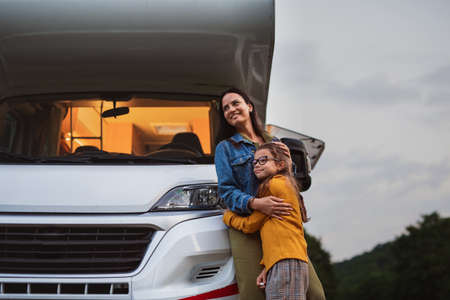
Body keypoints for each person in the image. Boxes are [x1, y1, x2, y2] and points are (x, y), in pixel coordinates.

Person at [214, 88, 326, 300]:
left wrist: (290, 164)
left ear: (249, 106)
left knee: (315, 293)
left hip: (279, 225)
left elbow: (289, 184)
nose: (231, 109)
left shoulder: (274, 141)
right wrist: (256, 203)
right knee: (253, 293)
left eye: (235, 103)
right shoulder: (225, 148)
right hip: (245, 223)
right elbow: (226, 191)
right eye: (226, 108)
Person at [223, 142, 309, 299]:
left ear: (280, 164)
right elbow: (282, 235)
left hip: (286, 264)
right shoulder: (286, 185)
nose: (256, 165)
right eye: (254, 162)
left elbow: (250, 225)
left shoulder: (274, 185)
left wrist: (228, 216)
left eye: (263, 160)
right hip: (288, 261)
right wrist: (268, 267)